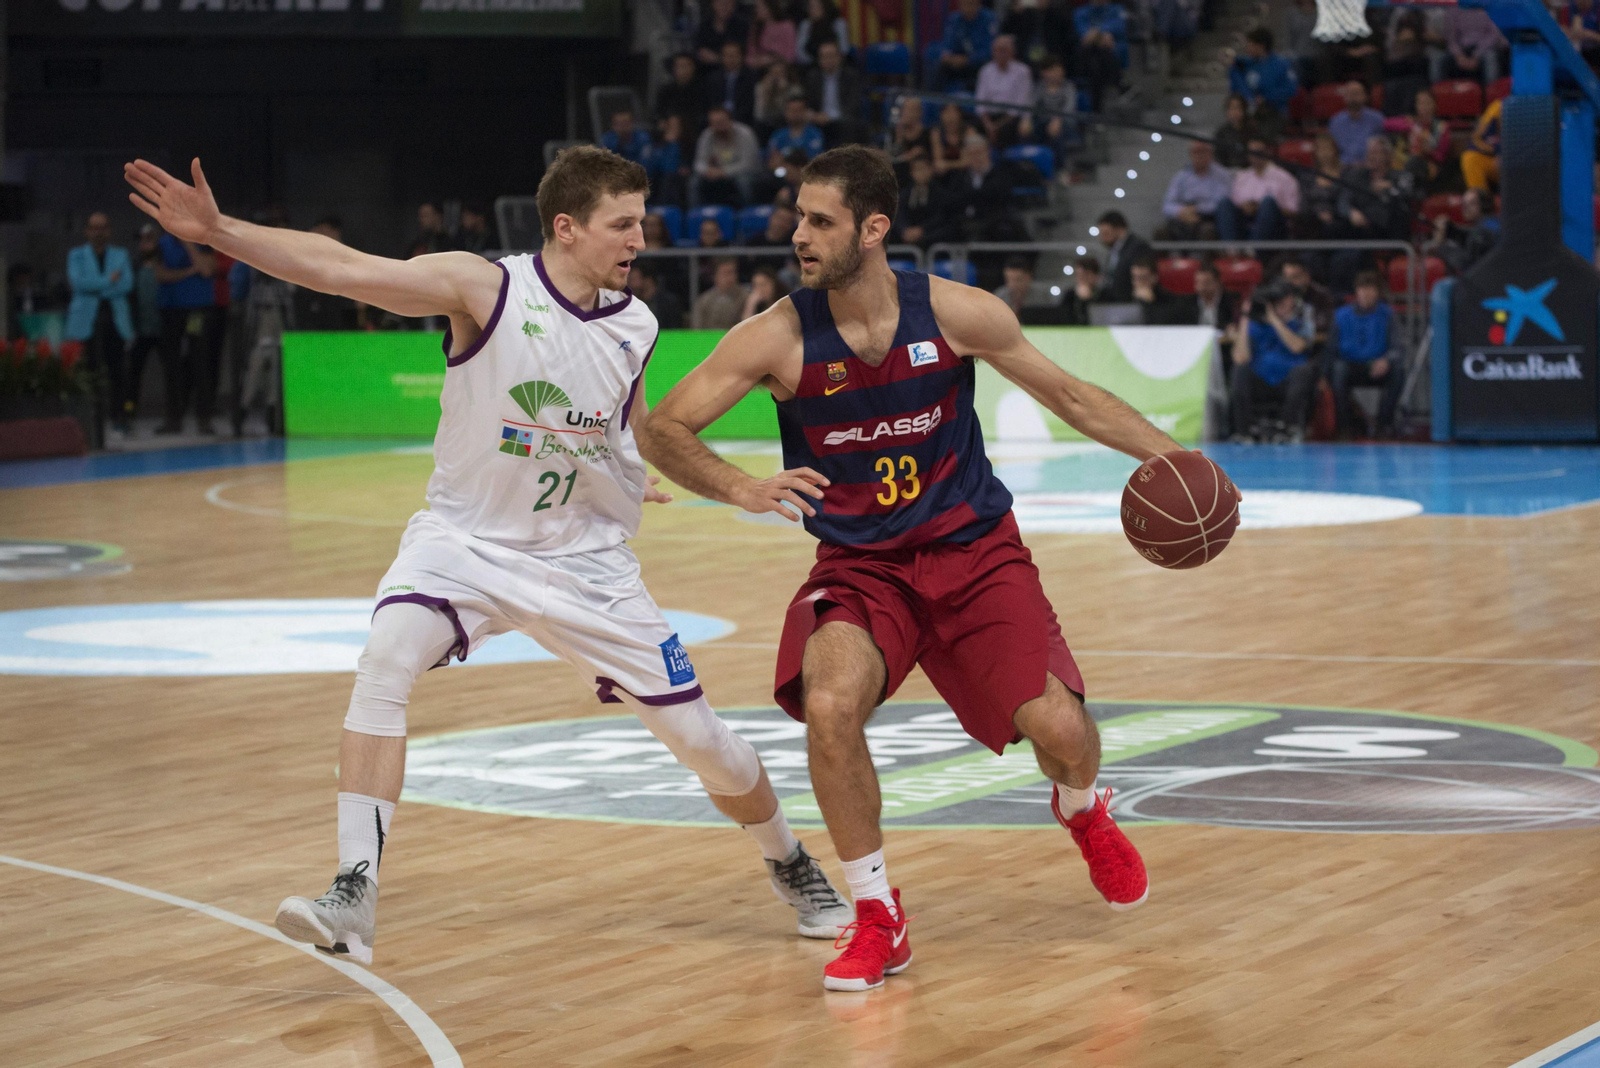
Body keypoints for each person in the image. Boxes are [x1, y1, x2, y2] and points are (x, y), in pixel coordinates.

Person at [124, 146, 853, 962]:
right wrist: (219, 230)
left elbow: (622, 424)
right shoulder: (487, 288)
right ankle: (354, 888)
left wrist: (625, 471)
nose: (639, 239)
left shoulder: (636, 324)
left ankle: (789, 859)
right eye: (623, 224)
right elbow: (342, 268)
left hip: (586, 567)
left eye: (641, 222)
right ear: (566, 228)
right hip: (464, 544)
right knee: (385, 659)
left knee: (705, 745)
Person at [638, 145, 1182, 993]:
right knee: (828, 705)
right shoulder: (777, 336)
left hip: (973, 552)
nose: (799, 235)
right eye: (799, 216)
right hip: (861, 568)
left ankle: (1082, 808)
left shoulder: (959, 314)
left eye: (820, 221)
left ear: (873, 227)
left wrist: (1176, 458)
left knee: (1066, 735)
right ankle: (876, 916)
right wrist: (740, 486)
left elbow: (1071, 395)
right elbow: (664, 427)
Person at [65, 212, 135, 436]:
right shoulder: (76, 255)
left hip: (114, 320)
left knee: (118, 372)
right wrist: (107, 281)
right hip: (87, 321)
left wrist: (96, 286)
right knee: (88, 372)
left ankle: (119, 417)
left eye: (103, 227)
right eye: (94, 227)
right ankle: (88, 421)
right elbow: (78, 283)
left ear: (109, 230)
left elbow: (125, 284)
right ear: (87, 231)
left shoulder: (120, 255)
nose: (98, 231)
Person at [1230, 280, 1318, 442]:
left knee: (1304, 371)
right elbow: (1240, 358)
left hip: (1287, 381)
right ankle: (1243, 431)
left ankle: (1286, 428)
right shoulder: (1255, 325)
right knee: (1239, 371)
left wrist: (1275, 320)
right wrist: (1245, 317)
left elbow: (1297, 347)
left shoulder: (1299, 322)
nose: (1283, 304)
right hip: (1261, 380)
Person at [154, 225, 220, 434]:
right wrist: (191, 271)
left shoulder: (203, 240)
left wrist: (188, 244)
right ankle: (174, 419)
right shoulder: (161, 243)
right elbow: (161, 275)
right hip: (171, 309)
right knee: (171, 364)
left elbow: (208, 269)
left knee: (199, 361)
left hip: (197, 310)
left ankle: (204, 418)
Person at [1328, 270, 1403, 438]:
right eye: (1363, 289)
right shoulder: (1341, 316)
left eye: (1370, 289)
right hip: (1350, 365)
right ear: (1356, 291)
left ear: (1377, 292)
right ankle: (1344, 427)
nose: (1366, 294)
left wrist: (1386, 360)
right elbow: (1332, 350)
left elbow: (1397, 347)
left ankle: (1384, 424)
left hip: (1378, 364)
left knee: (1398, 371)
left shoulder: (1388, 315)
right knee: (1337, 370)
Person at [1216, 137, 1299, 242]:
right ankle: (1231, 249)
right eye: (1251, 152)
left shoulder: (1285, 178)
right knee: (1224, 203)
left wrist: (1260, 207)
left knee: (1268, 203)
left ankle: (1254, 249)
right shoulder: (1242, 177)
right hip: (1245, 221)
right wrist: (1245, 207)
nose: (1255, 156)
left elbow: (1293, 211)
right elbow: (1235, 203)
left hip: (1273, 226)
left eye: (1259, 152)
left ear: (1268, 152)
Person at [1156, 140, 1232, 242]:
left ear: (1211, 154)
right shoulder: (1181, 176)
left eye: (1202, 151)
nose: (1199, 155)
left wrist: (1197, 209)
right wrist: (1181, 211)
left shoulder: (1222, 175)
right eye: (1195, 152)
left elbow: (1222, 203)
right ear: (1190, 154)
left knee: (1207, 231)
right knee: (1160, 232)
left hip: (1208, 217)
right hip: (1183, 215)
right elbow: (1167, 204)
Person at [126, 224, 164, 427]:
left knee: (173, 372)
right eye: (142, 240)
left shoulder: (167, 263)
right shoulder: (134, 266)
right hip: (140, 329)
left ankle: (174, 415)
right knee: (133, 373)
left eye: (150, 239)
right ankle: (129, 412)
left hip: (164, 328)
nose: (145, 243)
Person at [1228, 28, 1296, 136]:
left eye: (1250, 45)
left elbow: (1290, 89)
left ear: (1260, 46)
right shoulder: (1246, 64)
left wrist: (1266, 98)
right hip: (1250, 111)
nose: (1247, 48)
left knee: (1261, 133)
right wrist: (1249, 98)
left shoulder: (1281, 64)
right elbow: (1237, 86)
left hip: (1275, 112)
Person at [692, 105, 763, 208]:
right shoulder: (707, 135)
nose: (718, 126)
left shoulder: (745, 133)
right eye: (714, 123)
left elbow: (748, 164)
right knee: (695, 180)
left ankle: (748, 212)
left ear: (730, 120)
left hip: (745, 173)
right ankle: (696, 214)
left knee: (743, 180)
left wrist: (723, 172)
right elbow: (698, 163)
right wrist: (707, 170)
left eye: (721, 121)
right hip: (718, 174)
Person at [975, 34, 1033, 147]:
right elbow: (980, 103)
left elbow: (1019, 105)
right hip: (989, 118)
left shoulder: (1023, 71)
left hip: (1010, 118)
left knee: (1008, 132)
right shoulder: (985, 71)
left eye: (1003, 50)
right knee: (970, 129)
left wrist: (996, 126)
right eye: (996, 50)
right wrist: (988, 125)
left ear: (1012, 52)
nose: (999, 54)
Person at [803, 41, 864, 147]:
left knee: (848, 125)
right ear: (819, 59)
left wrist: (830, 117)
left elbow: (853, 104)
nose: (828, 60)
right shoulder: (813, 77)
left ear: (839, 57)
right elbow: (808, 102)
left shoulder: (850, 76)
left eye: (831, 56)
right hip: (819, 119)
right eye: (824, 56)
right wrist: (814, 115)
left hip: (843, 119)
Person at [1428, 187, 1500, 273]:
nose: (1466, 208)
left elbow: (1467, 264)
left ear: (1485, 205)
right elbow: (1470, 234)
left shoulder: (1485, 230)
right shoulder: (1492, 222)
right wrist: (1450, 228)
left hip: (1489, 279)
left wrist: (1442, 245)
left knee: (1444, 285)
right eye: (1464, 203)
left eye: (1472, 203)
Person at [934, 0, 998, 91]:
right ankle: (933, 101)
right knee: (939, 64)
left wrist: (968, 59)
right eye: (964, 4)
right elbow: (947, 43)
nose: (967, 8)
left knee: (985, 67)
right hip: (957, 61)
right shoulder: (954, 19)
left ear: (978, 4)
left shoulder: (989, 19)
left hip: (978, 62)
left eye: (971, 4)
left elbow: (990, 50)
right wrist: (948, 56)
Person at [1095, 210, 1154, 303]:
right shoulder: (1115, 249)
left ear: (1120, 229)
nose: (1102, 238)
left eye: (1106, 233)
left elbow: (1141, 275)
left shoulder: (1138, 247)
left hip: (1129, 301)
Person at [1439, 6, 1504, 85]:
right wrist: (1459, 56)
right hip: (1461, 50)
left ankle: (1491, 93)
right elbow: (1451, 38)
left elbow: (1493, 35)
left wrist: (1477, 55)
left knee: (1490, 57)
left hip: (1483, 49)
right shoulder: (1453, 9)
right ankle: (1439, 93)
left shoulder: (1490, 7)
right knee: (1439, 58)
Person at [1329, 82, 1387, 166]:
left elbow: (1384, 148)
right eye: (1349, 94)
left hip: (1369, 168)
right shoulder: (1335, 122)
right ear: (1344, 97)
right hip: (1342, 168)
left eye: (1356, 94)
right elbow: (1332, 151)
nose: (1353, 98)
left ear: (1365, 96)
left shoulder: (1377, 119)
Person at [705, 40, 760, 127]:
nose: (730, 59)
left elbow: (749, 103)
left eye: (734, 55)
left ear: (742, 56)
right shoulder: (714, 78)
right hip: (718, 119)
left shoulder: (751, 77)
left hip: (743, 120)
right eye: (727, 55)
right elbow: (711, 102)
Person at [657, 53, 707, 145]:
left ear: (693, 68)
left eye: (685, 65)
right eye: (678, 66)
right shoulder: (666, 90)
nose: (682, 69)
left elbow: (702, 112)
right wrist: (662, 120)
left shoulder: (702, 89)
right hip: (669, 127)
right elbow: (658, 111)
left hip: (692, 128)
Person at [767, 94, 825, 171]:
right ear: (786, 112)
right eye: (792, 110)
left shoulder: (815, 134)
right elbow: (772, 162)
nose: (795, 114)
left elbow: (815, 160)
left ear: (805, 112)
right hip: (782, 175)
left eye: (799, 110)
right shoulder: (778, 136)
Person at [1129, 257, 1188, 325]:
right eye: (1135, 278)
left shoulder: (1168, 300)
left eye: (1143, 278)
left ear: (1154, 278)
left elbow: (1160, 324)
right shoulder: (1125, 296)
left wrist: (1148, 303)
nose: (1138, 282)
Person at [693, 256, 748, 329]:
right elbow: (697, 330)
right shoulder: (704, 301)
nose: (731, 278)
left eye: (733, 272)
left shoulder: (745, 297)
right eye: (726, 273)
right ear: (715, 276)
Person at [1461, 97, 1502, 193]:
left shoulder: (1534, 110)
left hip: (1520, 162)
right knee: (1469, 158)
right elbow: (1476, 138)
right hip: (1495, 161)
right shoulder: (1498, 107)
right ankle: (1481, 202)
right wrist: (1494, 151)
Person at [630, 261, 685, 329]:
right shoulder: (631, 304)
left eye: (633, 279)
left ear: (648, 280)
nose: (631, 285)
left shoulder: (669, 303)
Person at [796, 0, 851, 68]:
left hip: (836, 65)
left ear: (825, 6)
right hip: (812, 65)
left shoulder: (838, 23)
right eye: (810, 7)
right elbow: (800, 51)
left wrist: (829, 61)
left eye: (816, 6)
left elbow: (844, 49)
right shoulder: (806, 24)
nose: (812, 10)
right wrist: (817, 62)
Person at [696, 0, 750, 68]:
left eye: (728, 3)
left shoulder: (743, 25)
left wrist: (719, 59)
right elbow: (700, 49)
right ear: (713, 4)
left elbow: (742, 51)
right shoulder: (705, 25)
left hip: (737, 70)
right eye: (720, 3)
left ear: (734, 5)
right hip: (707, 68)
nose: (724, 6)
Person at [746, 0, 797, 69]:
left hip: (782, 67)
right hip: (759, 68)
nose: (756, 10)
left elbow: (790, 55)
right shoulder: (757, 27)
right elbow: (751, 53)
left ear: (769, 8)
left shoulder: (787, 26)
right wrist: (757, 61)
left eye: (759, 7)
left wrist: (772, 60)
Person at [1214, 93, 1255, 170]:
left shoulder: (1253, 130)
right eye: (1232, 108)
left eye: (1238, 108)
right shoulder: (1221, 133)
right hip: (1228, 171)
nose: (1235, 112)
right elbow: (1219, 156)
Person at [1060, 255, 1103, 325]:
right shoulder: (1069, 296)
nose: (1081, 279)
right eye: (1078, 275)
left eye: (1085, 275)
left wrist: (1088, 299)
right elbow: (1064, 319)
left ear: (1096, 276)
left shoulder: (1104, 295)